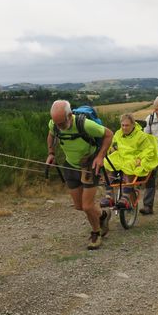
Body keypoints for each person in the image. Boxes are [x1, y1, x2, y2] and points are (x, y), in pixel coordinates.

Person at [46, 100, 113, 250]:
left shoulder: (85, 125)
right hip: (70, 166)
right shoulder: (54, 124)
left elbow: (109, 134)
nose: (59, 127)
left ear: (70, 116)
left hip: (89, 165)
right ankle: (103, 215)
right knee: (79, 206)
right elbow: (51, 135)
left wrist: (100, 156)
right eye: (57, 124)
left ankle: (96, 233)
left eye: (62, 123)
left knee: (88, 206)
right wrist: (51, 152)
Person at [102, 114, 158, 209]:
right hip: (120, 156)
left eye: (127, 125)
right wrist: (111, 149)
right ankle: (109, 196)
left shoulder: (141, 136)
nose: (124, 127)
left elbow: (149, 149)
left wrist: (140, 158)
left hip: (133, 157)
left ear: (133, 125)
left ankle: (125, 197)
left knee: (128, 165)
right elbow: (112, 145)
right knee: (106, 162)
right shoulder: (118, 133)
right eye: (122, 125)